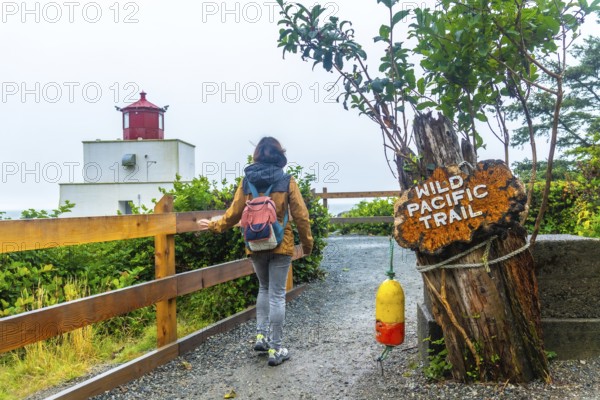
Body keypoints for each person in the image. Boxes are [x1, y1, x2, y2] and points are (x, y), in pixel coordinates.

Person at [197, 137, 313, 366]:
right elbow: (301, 216)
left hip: (255, 243)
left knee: (264, 287)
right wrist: (307, 245)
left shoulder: (247, 180)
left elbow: (233, 214)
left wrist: (214, 225)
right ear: (279, 155)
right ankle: (276, 349)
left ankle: (261, 335)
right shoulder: (287, 180)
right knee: (278, 294)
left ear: (257, 155)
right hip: (281, 244)